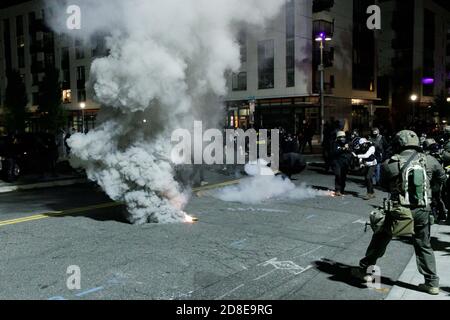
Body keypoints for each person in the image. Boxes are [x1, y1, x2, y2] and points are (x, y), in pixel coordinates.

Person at [353, 130, 446, 295]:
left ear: (399, 144)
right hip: (423, 209)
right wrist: (430, 192)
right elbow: (441, 178)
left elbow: (382, 185)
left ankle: (365, 271)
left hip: (399, 210)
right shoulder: (430, 161)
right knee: (424, 244)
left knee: (381, 237)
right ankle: (432, 283)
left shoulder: (390, 163)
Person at [330, 131, 352, 196]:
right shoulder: (335, 144)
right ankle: (337, 190)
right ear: (338, 137)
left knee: (343, 176)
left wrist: (348, 148)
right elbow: (334, 152)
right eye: (341, 137)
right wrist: (343, 149)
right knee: (338, 175)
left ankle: (342, 190)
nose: (342, 138)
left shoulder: (347, 143)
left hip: (344, 162)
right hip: (337, 161)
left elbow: (350, 152)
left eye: (343, 137)